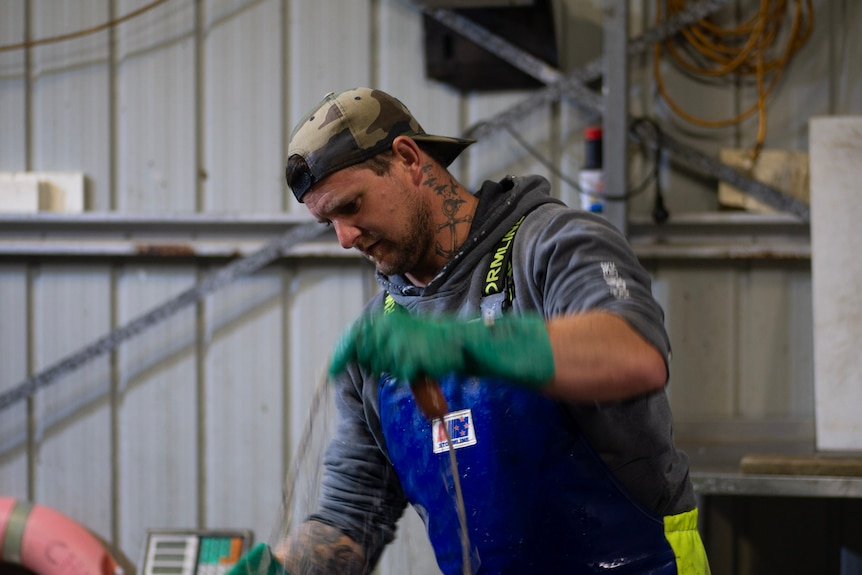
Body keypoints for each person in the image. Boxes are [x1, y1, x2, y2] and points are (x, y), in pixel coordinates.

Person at [230, 87, 711, 575]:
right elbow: (350, 516)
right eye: (327, 222)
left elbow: (632, 355)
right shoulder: (379, 337)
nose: (344, 238)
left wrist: (460, 343)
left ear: (408, 158)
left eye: (351, 206)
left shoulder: (554, 246)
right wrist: (283, 569)